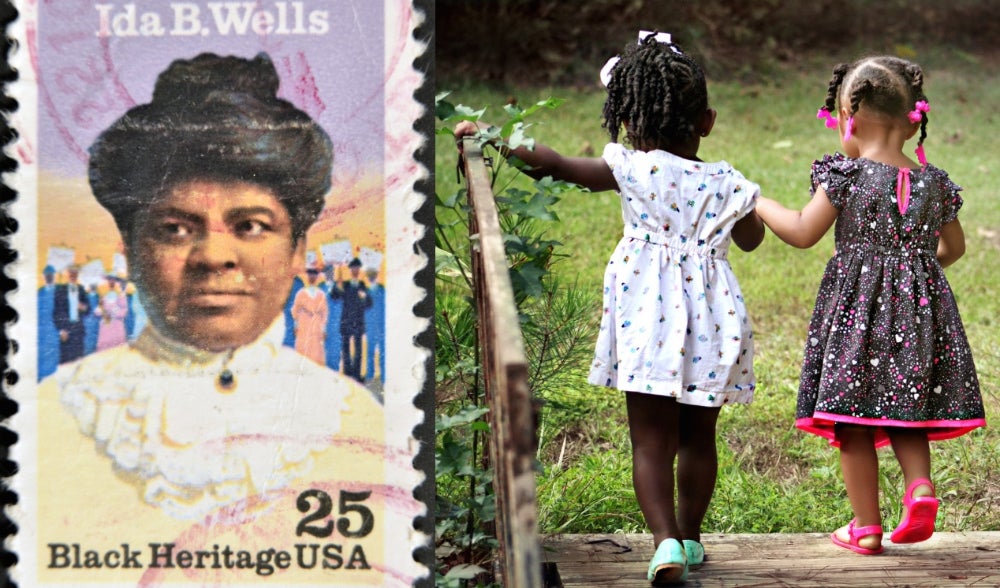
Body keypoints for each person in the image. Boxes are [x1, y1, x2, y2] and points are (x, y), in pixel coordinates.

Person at [38, 53, 388, 584]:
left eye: (250, 225)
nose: (212, 256)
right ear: (130, 250)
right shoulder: (51, 419)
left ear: (298, 249)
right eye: (175, 228)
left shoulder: (356, 424)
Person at [456, 32, 764, 585]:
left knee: (651, 442)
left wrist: (494, 137)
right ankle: (692, 540)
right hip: (714, 324)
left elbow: (552, 165)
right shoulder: (726, 181)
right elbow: (751, 240)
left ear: (625, 119)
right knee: (699, 438)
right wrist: (730, 208)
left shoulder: (629, 168)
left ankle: (665, 542)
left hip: (647, 318)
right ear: (708, 121)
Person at [754, 56, 985, 556]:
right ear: (912, 119)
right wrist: (917, 274)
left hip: (856, 319)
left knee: (853, 419)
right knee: (908, 407)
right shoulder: (936, 183)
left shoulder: (847, 175)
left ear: (848, 119)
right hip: (920, 315)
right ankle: (920, 487)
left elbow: (801, 231)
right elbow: (954, 249)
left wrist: (757, 201)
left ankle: (866, 526)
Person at [330, 257, 372, 382]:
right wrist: (336, 286)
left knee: (358, 350)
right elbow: (335, 296)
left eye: (357, 268)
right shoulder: (345, 285)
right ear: (350, 270)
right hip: (347, 322)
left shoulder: (362, 285)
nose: (355, 270)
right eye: (353, 268)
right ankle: (348, 375)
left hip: (358, 323)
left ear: (359, 270)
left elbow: (369, 304)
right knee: (346, 349)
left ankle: (357, 375)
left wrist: (364, 297)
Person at [52, 265, 90, 364]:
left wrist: (84, 307)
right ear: (67, 274)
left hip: (78, 330)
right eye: (71, 272)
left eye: (75, 272)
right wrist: (61, 330)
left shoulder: (81, 289)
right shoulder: (60, 290)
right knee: (66, 362)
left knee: (79, 362)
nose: (73, 274)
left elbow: (88, 309)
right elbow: (56, 313)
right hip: (66, 331)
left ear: (78, 275)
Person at [291, 266, 329, 365]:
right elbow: (295, 310)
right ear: (307, 276)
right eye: (310, 275)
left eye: (314, 275)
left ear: (317, 277)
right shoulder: (301, 293)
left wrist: (324, 329)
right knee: (303, 344)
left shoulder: (321, 294)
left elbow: (324, 312)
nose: (312, 277)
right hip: (304, 323)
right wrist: (296, 325)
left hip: (316, 323)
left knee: (316, 347)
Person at [37, 265, 60, 380]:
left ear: (55, 276)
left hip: (55, 331)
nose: (49, 277)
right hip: (41, 332)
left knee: (53, 357)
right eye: (47, 275)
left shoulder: (59, 293)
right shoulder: (39, 293)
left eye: (52, 275)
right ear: (43, 276)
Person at [364, 266, 386, 385]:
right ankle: (369, 376)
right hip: (370, 326)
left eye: (373, 275)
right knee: (370, 352)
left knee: (383, 351)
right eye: (369, 275)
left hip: (381, 325)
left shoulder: (382, 291)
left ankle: (384, 378)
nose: (371, 277)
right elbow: (364, 311)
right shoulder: (366, 292)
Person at [95, 276, 128, 351]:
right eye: (109, 280)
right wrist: (103, 312)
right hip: (105, 327)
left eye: (113, 280)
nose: (111, 282)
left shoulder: (121, 295)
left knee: (117, 350)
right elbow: (97, 311)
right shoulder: (103, 295)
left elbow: (124, 311)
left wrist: (112, 312)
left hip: (117, 326)